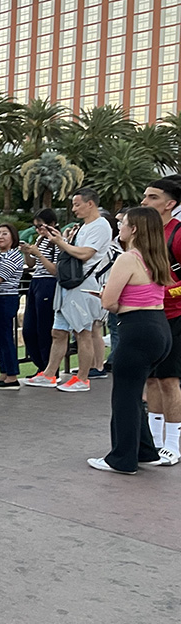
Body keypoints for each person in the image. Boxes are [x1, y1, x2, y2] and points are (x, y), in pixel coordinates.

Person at [88, 207, 179, 473]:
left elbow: (109, 302)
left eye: (123, 223)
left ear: (135, 228)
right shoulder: (156, 257)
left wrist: (108, 297)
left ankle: (122, 459)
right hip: (159, 327)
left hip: (137, 329)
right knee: (134, 391)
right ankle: (145, 451)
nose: (120, 227)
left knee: (125, 396)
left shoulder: (128, 258)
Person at [23, 188, 111, 392]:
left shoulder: (100, 226)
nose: (74, 209)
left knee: (83, 332)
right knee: (58, 331)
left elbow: (86, 254)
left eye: (77, 204)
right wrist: (62, 240)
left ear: (90, 204)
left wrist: (60, 242)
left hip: (82, 285)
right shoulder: (84, 227)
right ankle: (49, 374)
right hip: (68, 284)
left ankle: (82, 378)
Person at [140, 177, 181, 460]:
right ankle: (154, 440)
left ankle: (174, 444)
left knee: (169, 380)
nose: (144, 202)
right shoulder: (145, 235)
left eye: (152, 197)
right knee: (152, 380)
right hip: (149, 316)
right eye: (145, 196)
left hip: (174, 316)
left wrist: (164, 293)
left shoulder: (177, 234)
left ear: (170, 204)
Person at [19, 208, 59, 379]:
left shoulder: (57, 241)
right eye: (35, 227)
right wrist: (27, 252)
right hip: (35, 281)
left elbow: (54, 270)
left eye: (41, 226)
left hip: (48, 283)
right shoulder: (40, 239)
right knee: (29, 329)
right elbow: (31, 265)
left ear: (52, 224)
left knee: (44, 328)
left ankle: (49, 368)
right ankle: (41, 365)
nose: (38, 230)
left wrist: (39, 254)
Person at [0, 223, 24, 389]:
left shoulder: (14, 256)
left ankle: (12, 376)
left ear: (13, 237)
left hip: (5, 298)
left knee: (5, 337)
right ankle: (4, 373)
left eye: (4, 233)